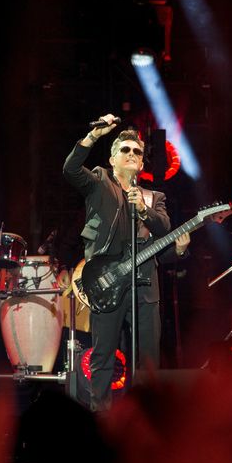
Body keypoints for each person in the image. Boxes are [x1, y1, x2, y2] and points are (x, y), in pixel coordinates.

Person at [63, 114, 171, 411]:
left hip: (146, 284)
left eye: (137, 151)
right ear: (113, 159)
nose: (132, 154)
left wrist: (145, 211)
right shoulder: (99, 180)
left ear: (142, 163)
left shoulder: (153, 197)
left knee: (149, 358)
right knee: (104, 355)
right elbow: (70, 169)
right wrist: (93, 137)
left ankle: (147, 419)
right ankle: (102, 418)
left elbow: (164, 228)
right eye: (125, 149)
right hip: (107, 279)